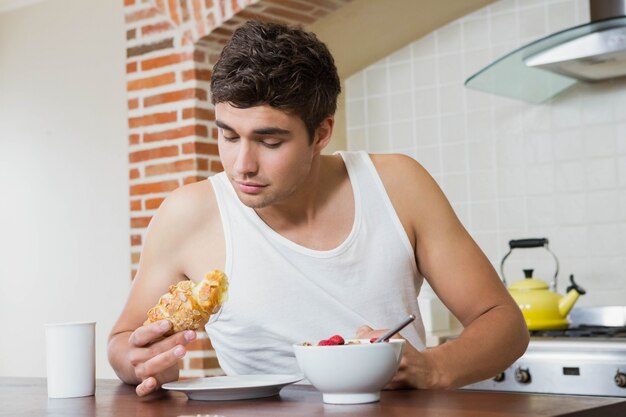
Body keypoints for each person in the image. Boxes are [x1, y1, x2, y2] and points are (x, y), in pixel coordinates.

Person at [107, 20, 529, 397]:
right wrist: (139, 361)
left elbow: (504, 324)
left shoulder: (398, 185)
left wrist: (434, 367)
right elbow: (124, 342)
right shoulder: (187, 215)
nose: (242, 165)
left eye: (270, 142)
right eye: (229, 136)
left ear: (322, 131)